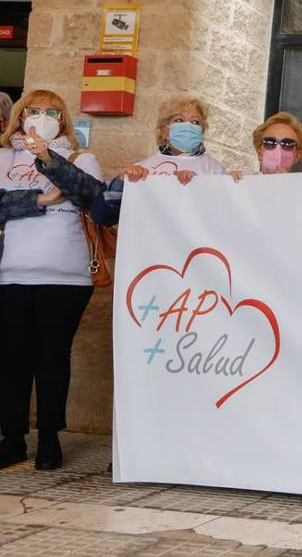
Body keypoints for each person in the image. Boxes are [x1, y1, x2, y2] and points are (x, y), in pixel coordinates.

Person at [0, 89, 102, 471]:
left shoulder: (81, 158)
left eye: (52, 112)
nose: (41, 116)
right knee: (12, 358)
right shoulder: (4, 157)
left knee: (52, 357)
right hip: (10, 273)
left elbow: (90, 195)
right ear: (21, 116)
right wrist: (40, 201)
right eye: (34, 110)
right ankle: (12, 438)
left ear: (63, 121)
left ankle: (49, 439)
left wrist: (46, 157)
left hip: (67, 276)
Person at [119, 96, 226, 184]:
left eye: (195, 122)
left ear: (201, 131)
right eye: (179, 120)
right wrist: (123, 180)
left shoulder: (214, 169)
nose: (188, 126)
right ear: (164, 131)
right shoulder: (142, 168)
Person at [234, 112, 302, 180]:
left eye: (287, 144)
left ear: (297, 156)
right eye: (270, 142)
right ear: (259, 152)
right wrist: (228, 182)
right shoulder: (243, 182)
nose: (278, 149)